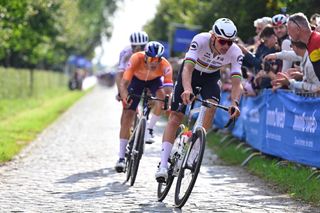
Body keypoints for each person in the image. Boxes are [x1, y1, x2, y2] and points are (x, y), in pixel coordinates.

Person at [155, 18, 243, 182]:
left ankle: (193, 154)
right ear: (213, 37)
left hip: (211, 77)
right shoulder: (200, 40)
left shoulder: (236, 52)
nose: (225, 46)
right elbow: (187, 68)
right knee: (175, 116)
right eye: (222, 41)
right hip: (191, 74)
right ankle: (163, 166)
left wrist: (234, 103)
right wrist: (187, 89)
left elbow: (237, 83)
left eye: (229, 43)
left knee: (211, 107)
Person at [115, 41, 173, 172]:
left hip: (154, 81)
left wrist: (167, 101)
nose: (154, 62)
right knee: (128, 115)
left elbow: (169, 88)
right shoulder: (136, 58)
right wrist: (124, 96)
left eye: (157, 59)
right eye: (151, 58)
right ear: (145, 56)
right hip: (136, 81)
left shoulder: (165, 65)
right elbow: (124, 83)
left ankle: (149, 129)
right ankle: (121, 157)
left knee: (162, 97)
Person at [287, 12, 320, 81]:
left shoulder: (317, 40)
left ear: (297, 30)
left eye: (289, 29)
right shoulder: (311, 42)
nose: (288, 33)